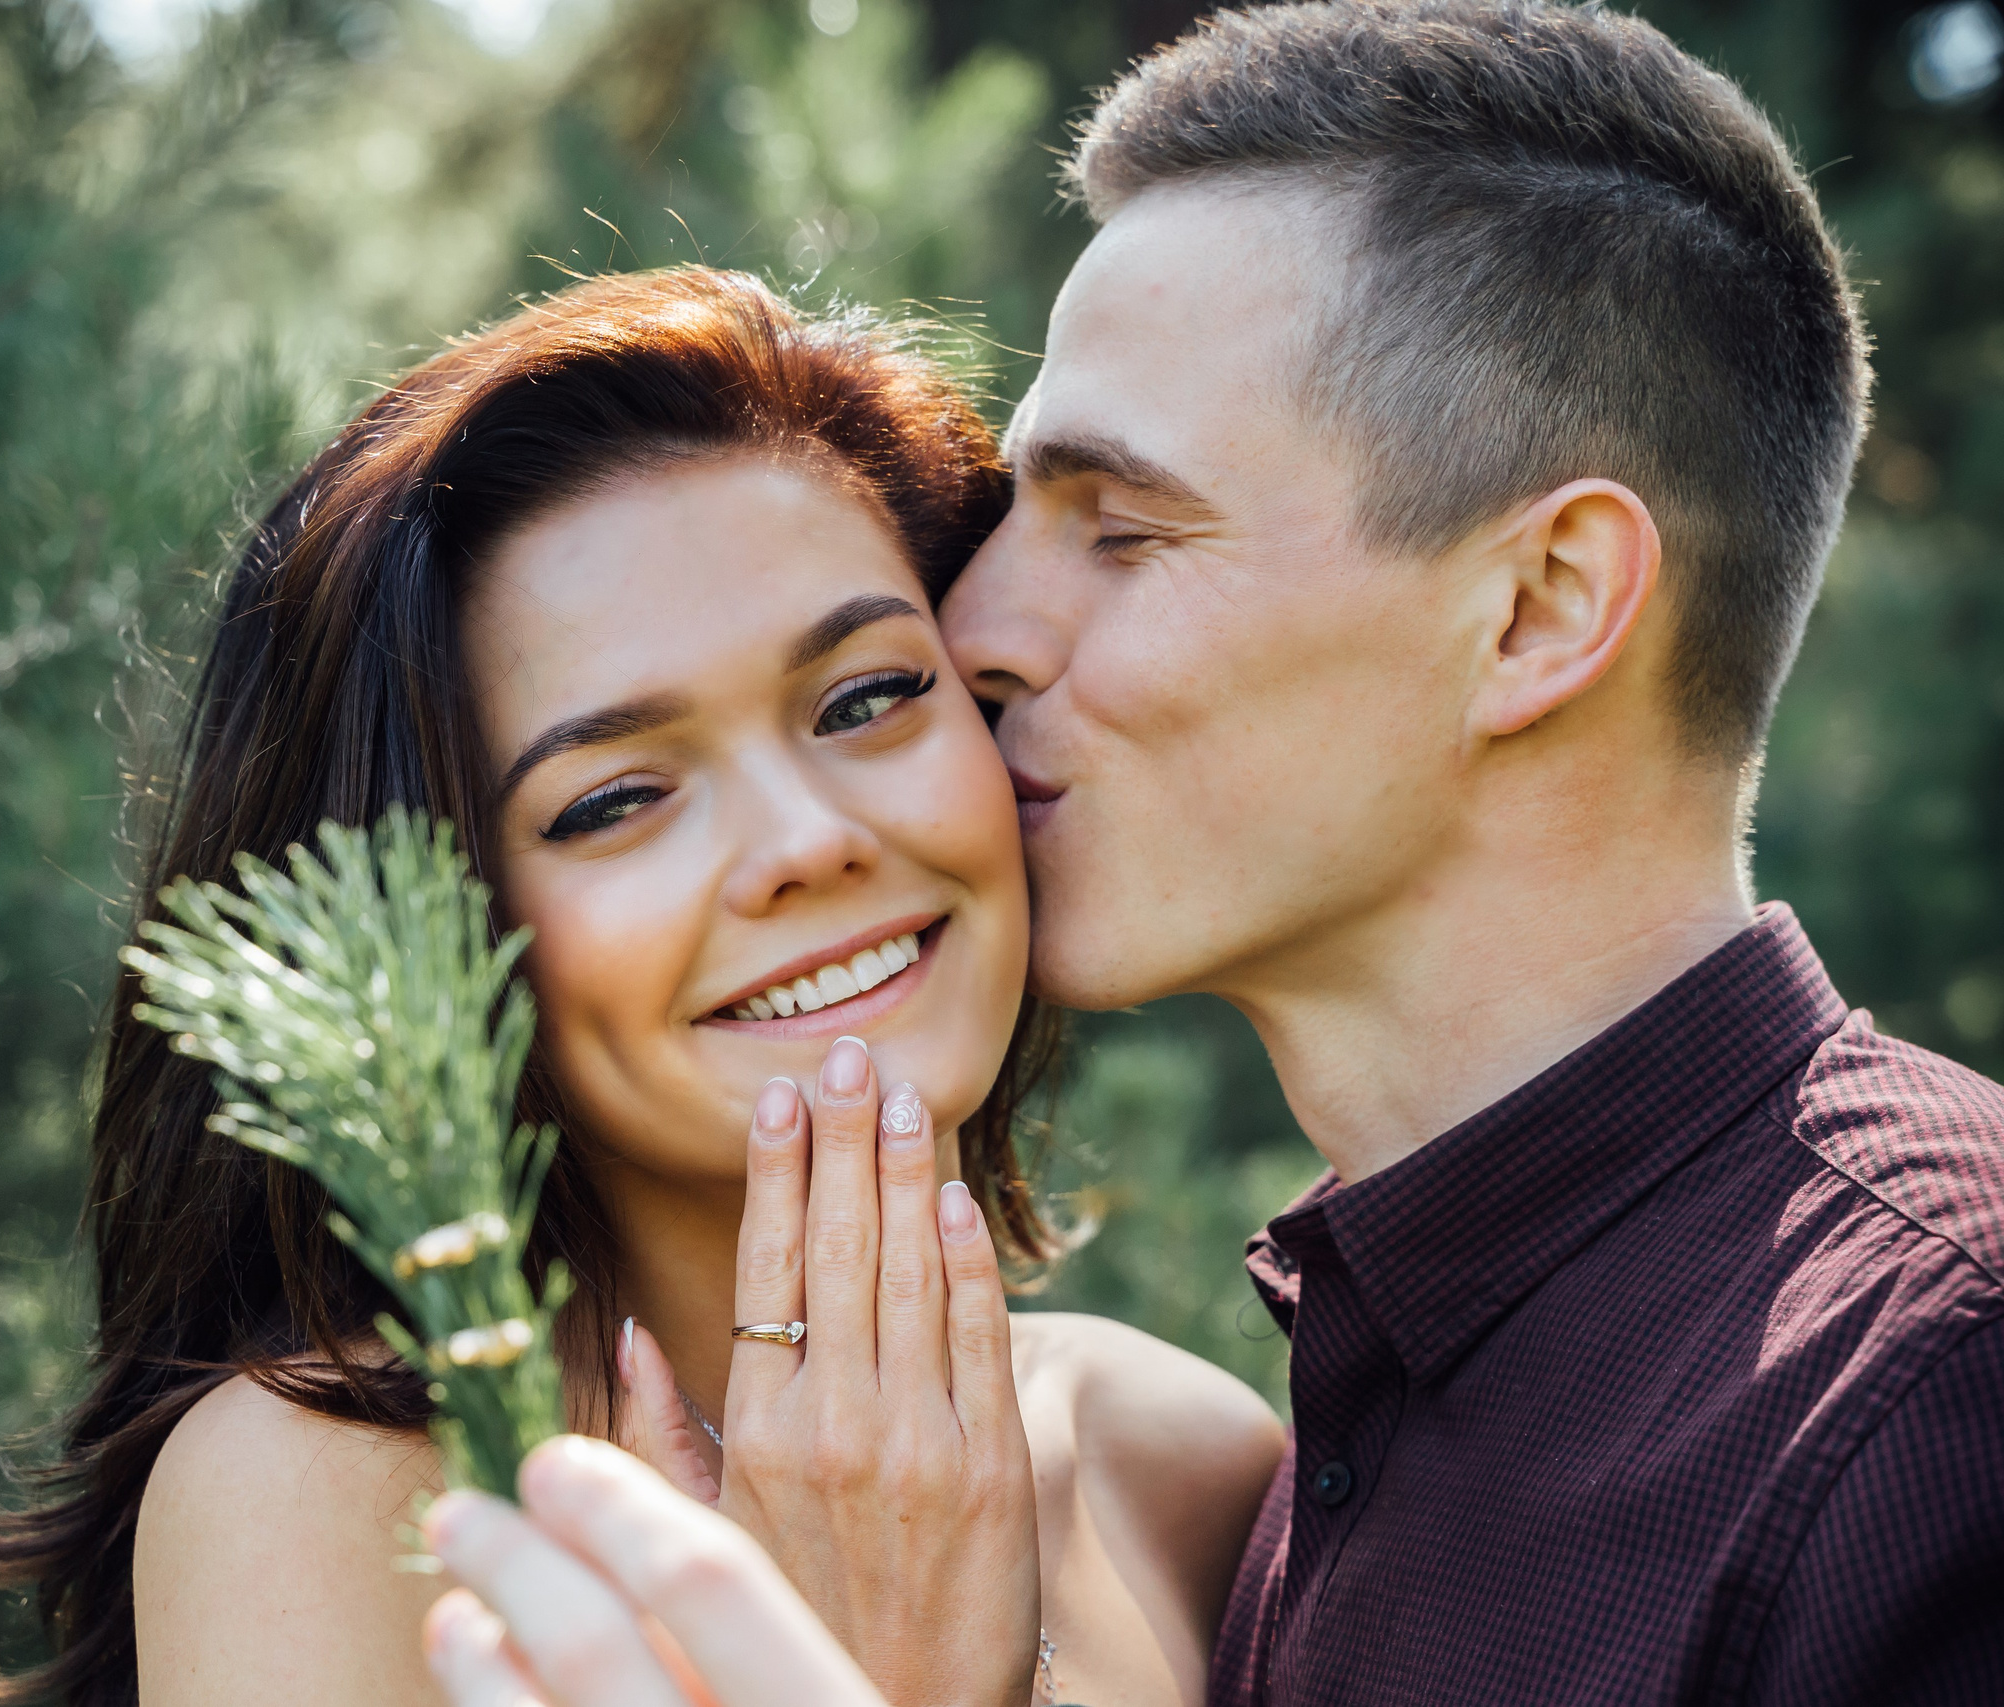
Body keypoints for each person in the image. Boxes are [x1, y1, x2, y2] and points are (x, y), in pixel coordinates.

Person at [417, 3, 2004, 1705]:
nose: (978, 629)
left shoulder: (1939, 1395)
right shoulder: (1299, 1451)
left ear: (1538, 612)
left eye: (1120, 526)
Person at [0, 267, 1284, 1707]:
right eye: (615, 799)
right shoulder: (348, 1502)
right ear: (439, 933)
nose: (809, 843)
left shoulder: (1181, 1462)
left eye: (869, 698)